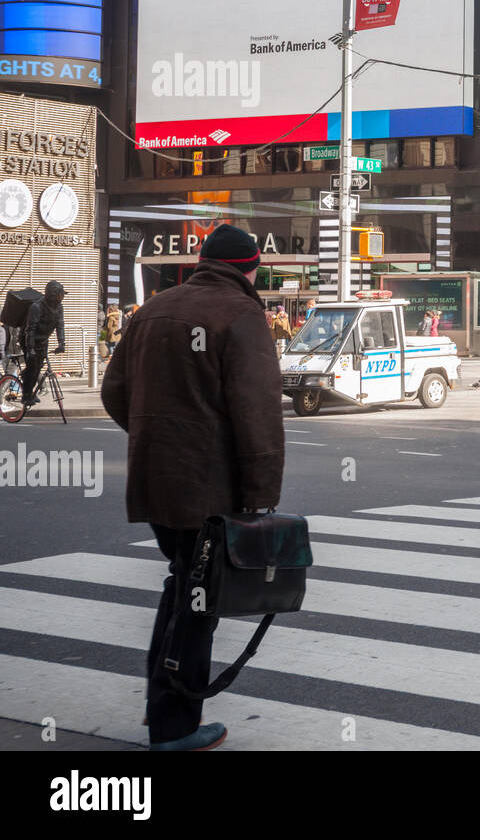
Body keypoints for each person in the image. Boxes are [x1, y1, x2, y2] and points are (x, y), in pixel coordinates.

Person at [101, 223, 284, 751]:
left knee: (184, 585)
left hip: (156, 485)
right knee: (199, 601)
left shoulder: (154, 309)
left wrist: (156, 436)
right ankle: (173, 726)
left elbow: (116, 392)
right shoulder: (242, 315)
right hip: (211, 492)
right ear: (250, 268)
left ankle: (161, 705)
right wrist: (261, 495)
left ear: (205, 261)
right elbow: (258, 417)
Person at [22, 280, 67, 406]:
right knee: (32, 367)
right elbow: (30, 329)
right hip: (29, 339)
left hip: (43, 340)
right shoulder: (37, 307)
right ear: (52, 294)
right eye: (59, 295)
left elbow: (60, 325)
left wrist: (62, 343)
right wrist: (30, 348)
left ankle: (30, 388)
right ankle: (26, 395)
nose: (61, 298)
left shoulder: (59, 307)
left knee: (39, 367)